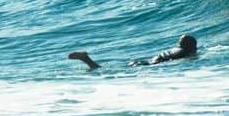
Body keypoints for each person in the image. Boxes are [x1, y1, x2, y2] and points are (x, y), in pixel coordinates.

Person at [68, 34, 198, 71]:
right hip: (149, 65)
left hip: (145, 62)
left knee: (109, 68)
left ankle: (86, 59)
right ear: (191, 46)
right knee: (103, 70)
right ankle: (86, 58)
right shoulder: (185, 53)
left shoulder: (175, 49)